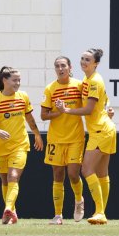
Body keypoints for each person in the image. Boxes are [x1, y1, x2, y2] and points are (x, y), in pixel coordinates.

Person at [56, 48, 116, 225]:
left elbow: (89, 109)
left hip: (101, 131)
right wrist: (107, 110)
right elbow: (104, 101)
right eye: (82, 58)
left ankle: (100, 211)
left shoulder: (95, 81)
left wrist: (66, 110)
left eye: (87, 60)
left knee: (86, 170)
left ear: (95, 63)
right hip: (104, 129)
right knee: (102, 173)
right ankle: (102, 212)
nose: (84, 62)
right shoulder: (87, 79)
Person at [0, 66, 43, 225]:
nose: (18, 83)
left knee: (13, 177)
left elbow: (30, 119)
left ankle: (8, 208)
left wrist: (37, 134)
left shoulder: (23, 96)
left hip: (20, 145)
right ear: (5, 80)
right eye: (14, 80)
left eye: (19, 80)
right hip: (1, 147)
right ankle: (12, 212)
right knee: (5, 181)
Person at [41, 56, 85, 225]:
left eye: (63, 66)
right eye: (57, 66)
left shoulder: (79, 85)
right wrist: (59, 112)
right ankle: (58, 215)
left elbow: (88, 107)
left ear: (69, 67)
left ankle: (79, 200)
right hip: (56, 138)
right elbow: (43, 115)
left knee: (73, 174)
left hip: (75, 137)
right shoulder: (50, 88)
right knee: (58, 175)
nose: (60, 69)